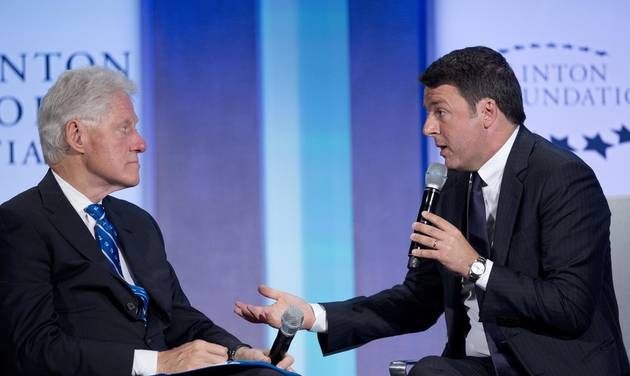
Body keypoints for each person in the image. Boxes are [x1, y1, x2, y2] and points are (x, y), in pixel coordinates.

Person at [235, 46, 630, 375]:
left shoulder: (563, 178)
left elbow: (570, 306)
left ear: (487, 112)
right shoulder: (449, 184)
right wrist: (314, 316)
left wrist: (475, 266)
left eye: (440, 112)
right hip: (477, 365)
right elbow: (418, 301)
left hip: (555, 365)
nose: (428, 127)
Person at [0, 66, 292, 376]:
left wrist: (238, 352)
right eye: (124, 128)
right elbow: (33, 348)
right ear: (77, 136)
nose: (140, 143)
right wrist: (158, 362)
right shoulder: (19, 224)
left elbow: (180, 319)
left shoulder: (137, 223)